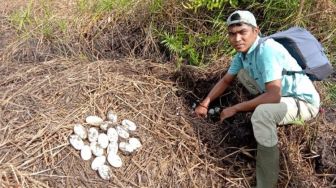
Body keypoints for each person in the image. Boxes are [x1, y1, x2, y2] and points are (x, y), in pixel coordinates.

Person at [194, 10, 320, 188]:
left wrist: (236, 108)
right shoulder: (242, 55)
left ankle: (266, 182)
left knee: (262, 114)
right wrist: (204, 104)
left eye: (242, 32)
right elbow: (226, 80)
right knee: (242, 74)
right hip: (280, 94)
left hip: (301, 101)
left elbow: (274, 96)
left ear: (256, 31)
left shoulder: (267, 50)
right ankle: (256, 102)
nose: (237, 39)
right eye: (232, 34)